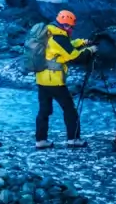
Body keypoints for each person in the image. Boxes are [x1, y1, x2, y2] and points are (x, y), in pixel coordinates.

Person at [35, 9, 98, 149]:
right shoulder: (59, 38)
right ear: (66, 25)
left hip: (41, 78)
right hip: (54, 80)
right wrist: (90, 50)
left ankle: (40, 140)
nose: (71, 29)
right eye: (71, 27)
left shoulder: (49, 32)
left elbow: (67, 45)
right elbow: (74, 56)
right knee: (69, 109)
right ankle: (73, 139)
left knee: (44, 110)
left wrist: (82, 42)